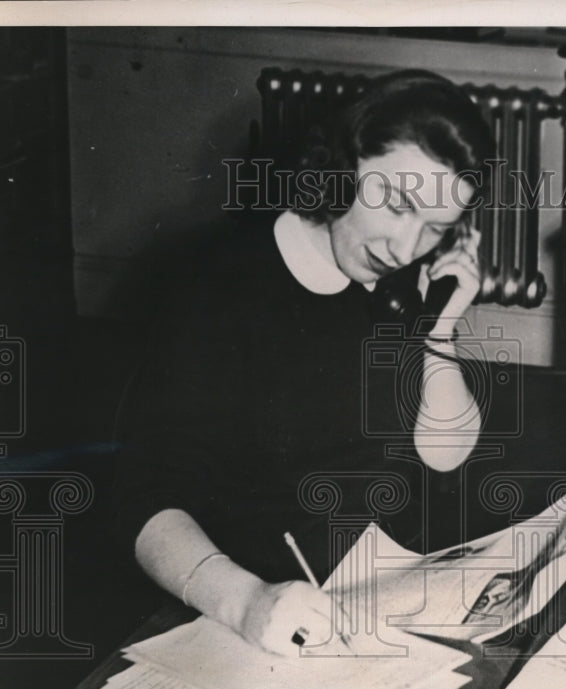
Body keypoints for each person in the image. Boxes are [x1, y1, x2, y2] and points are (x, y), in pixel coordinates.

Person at [113, 70, 493, 657]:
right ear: (343, 165)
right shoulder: (216, 286)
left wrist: (438, 327)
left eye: (435, 229)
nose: (403, 247)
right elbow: (144, 498)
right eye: (394, 203)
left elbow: (443, 452)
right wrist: (244, 601)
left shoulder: (393, 280)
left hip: (378, 598)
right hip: (254, 611)